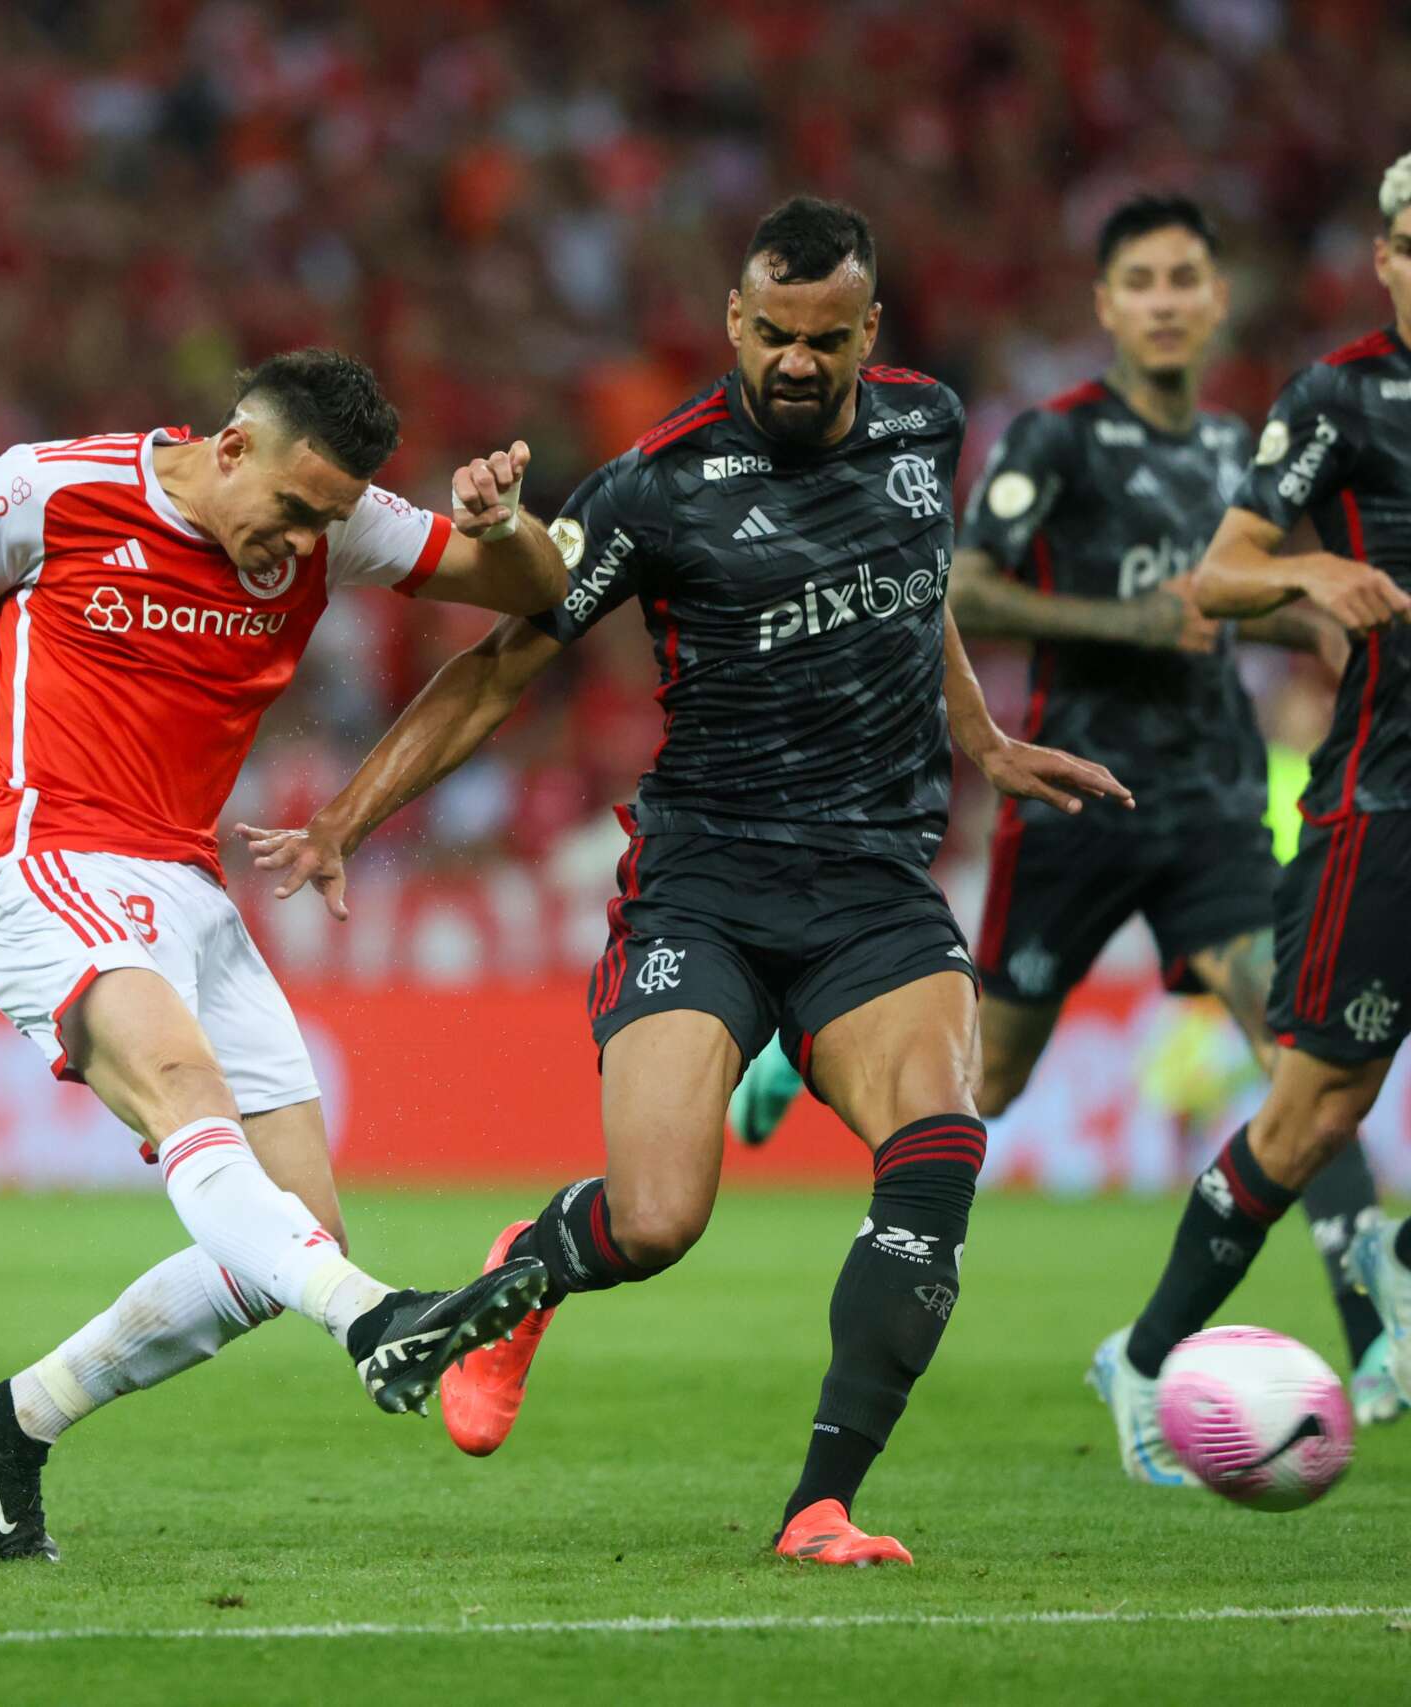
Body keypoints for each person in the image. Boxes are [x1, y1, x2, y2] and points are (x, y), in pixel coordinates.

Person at [247, 199, 1130, 1565]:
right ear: (734, 320)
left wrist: (982, 735)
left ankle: (819, 1502)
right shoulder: (658, 483)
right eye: (772, 333)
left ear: (867, 332)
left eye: (824, 340)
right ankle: (524, 1270)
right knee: (657, 1218)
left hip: (877, 888)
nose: (794, 360)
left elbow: (917, 580)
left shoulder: (927, 425)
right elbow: (502, 668)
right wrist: (350, 817)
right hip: (705, 885)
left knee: (942, 1144)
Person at [0, 349, 572, 1559]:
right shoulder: (43, 492)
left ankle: (15, 1420)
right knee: (197, 1104)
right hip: (55, 865)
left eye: (332, 520)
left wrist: (503, 527)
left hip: (190, 894)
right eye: (296, 510)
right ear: (231, 447)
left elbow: (537, 591)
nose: (308, 542)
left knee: (291, 1226)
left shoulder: (336, 522)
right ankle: (378, 1323)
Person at [717, 193, 1399, 1437]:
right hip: (1078, 795)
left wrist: (1321, 623)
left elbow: (1241, 595)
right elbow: (963, 584)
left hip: (1211, 800)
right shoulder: (1057, 439)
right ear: (1107, 304)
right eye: (1139, 279)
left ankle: (1374, 1338)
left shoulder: (1234, 449)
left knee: (1298, 1053)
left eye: (1185, 276)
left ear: (1213, 298)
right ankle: (797, 1048)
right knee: (993, 1078)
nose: (1165, 298)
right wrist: (1127, 624)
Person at [1093, 155, 1411, 1458]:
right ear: (1389, 258)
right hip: (1384, 807)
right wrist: (1324, 571)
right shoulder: (1344, 396)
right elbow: (1219, 578)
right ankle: (1146, 1355)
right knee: (1312, 1113)